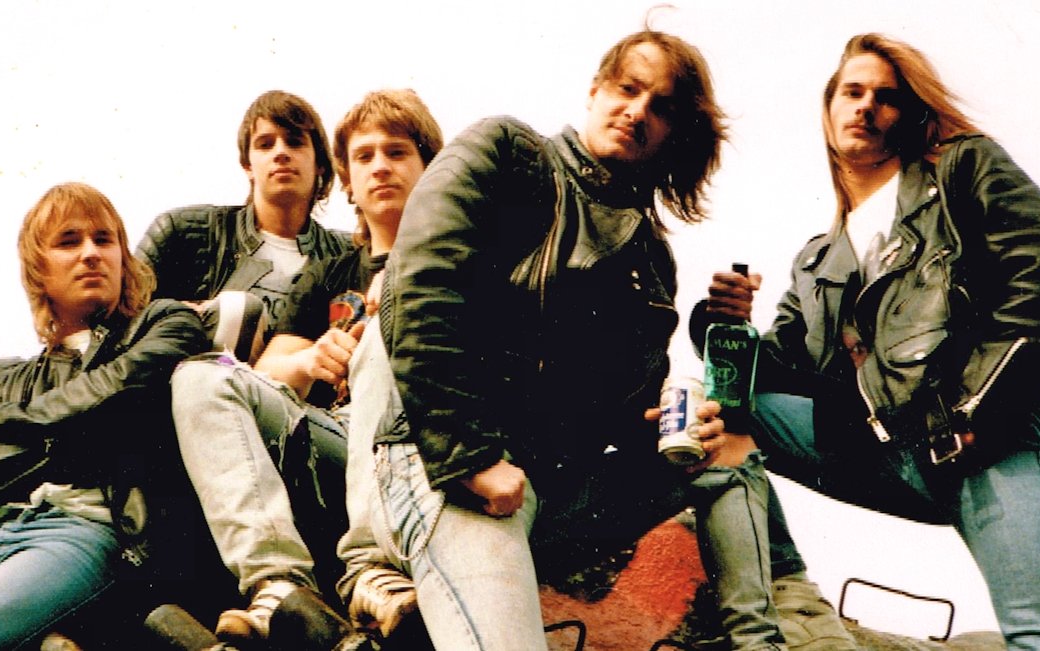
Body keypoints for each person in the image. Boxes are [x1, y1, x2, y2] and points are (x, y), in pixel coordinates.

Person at [336, 28, 797, 651]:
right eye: (627, 89)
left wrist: (677, 427)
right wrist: (471, 459)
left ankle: (763, 642)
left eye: (660, 106)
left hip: (549, 490)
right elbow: (418, 287)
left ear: (675, 134)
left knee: (729, 455)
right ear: (595, 91)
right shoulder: (509, 154)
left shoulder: (651, 260)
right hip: (450, 466)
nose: (636, 111)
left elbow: (621, 417)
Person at [694, 33, 1040, 649]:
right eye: (852, 92)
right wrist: (722, 324)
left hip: (982, 441)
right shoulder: (817, 259)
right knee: (713, 410)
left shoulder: (962, 168)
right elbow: (780, 369)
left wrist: (980, 411)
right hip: (880, 447)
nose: (866, 106)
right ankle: (788, 594)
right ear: (828, 109)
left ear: (912, 114)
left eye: (886, 97)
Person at [168, 89, 444, 646]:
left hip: (422, 446)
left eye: (396, 152)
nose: (380, 167)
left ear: (429, 168)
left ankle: (371, 573)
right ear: (347, 180)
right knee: (199, 375)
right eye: (364, 156)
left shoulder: (462, 258)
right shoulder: (330, 269)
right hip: (334, 444)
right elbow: (268, 371)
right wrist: (312, 358)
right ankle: (277, 583)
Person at [0, 182, 207, 649]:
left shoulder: (166, 323)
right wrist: (73, 439)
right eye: (69, 241)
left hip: (87, 533)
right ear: (38, 270)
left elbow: (119, 389)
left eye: (104, 239)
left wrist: (13, 421)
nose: (91, 253)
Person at [135, 89, 352, 345]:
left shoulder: (348, 256)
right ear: (248, 165)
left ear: (320, 164)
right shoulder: (182, 234)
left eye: (294, 142)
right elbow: (124, 319)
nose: (281, 153)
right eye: (265, 144)